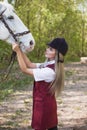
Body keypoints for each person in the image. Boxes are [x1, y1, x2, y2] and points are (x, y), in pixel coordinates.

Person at [12, 38, 68, 130]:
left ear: (57, 54)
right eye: (48, 47)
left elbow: (25, 69)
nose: (47, 49)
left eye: (51, 49)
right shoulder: (48, 64)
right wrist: (21, 50)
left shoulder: (49, 70)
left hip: (44, 107)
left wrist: (18, 52)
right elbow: (30, 64)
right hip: (44, 104)